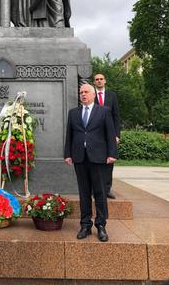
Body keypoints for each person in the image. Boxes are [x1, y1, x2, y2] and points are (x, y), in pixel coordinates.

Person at [64, 84, 117, 242]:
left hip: (98, 158)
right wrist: (68, 154)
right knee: (84, 192)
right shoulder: (73, 113)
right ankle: (85, 225)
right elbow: (70, 135)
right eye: (81, 92)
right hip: (79, 158)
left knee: (100, 192)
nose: (83, 94)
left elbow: (110, 133)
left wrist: (112, 153)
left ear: (94, 95)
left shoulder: (104, 111)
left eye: (86, 92)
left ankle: (101, 225)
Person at [93, 73, 121, 199]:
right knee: (94, 162)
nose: (99, 81)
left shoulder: (112, 95)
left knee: (109, 162)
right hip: (94, 134)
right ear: (94, 82)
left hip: (110, 134)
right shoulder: (90, 95)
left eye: (101, 79)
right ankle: (95, 189)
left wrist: (117, 135)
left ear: (105, 81)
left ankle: (107, 188)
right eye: (96, 79)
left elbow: (116, 116)